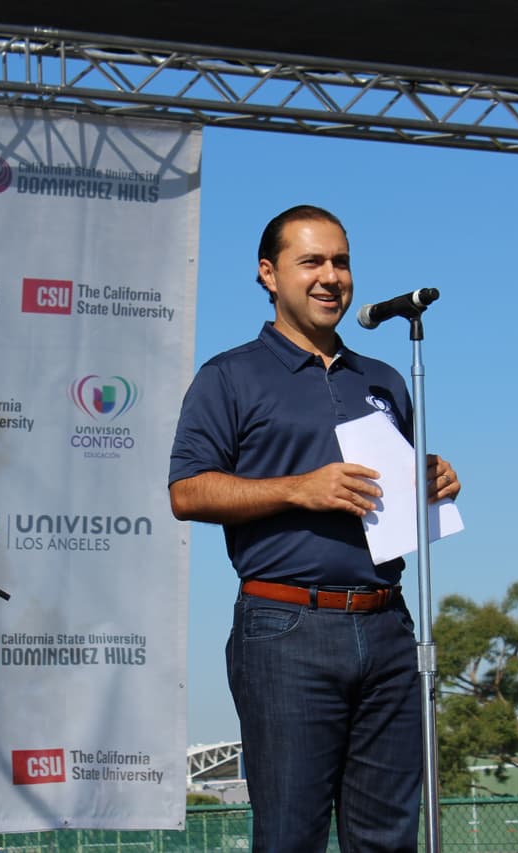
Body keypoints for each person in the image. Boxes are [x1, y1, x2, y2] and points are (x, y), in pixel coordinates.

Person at [169, 204, 461, 852]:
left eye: (341, 261)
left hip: (388, 627)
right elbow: (187, 491)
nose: (331, 276)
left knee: (388, 839)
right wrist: (299, 488)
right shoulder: (230, 375)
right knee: (290, 837)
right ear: (269, 274)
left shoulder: (383, 380)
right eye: (312, 262)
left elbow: (392, 504)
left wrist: (431, 480)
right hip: (285, 630)